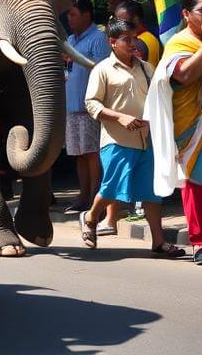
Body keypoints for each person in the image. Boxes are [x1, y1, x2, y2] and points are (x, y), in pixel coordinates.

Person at [79, 18, 185, 258]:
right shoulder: (103, 69)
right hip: (117, 140)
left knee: (152, 193)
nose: (132, 43)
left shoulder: (147, 68)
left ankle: (158, 242)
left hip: (147, 140)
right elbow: (92, 103)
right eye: (126, 39)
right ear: (112, 42)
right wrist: (120, 117)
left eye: (134, 38)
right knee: (112, 189)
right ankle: (91, 216)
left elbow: (160, 97)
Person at [144, 0, 202, 266]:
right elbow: (183, 75)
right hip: (193, 127)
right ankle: (199, 243)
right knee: (198, 184)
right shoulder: (179, 42)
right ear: (186, 14)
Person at [64, 0, 111, 213]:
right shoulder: (70, 40)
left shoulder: (98, 38)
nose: (69, 19)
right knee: (79, 155)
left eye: (73, 14)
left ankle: (95, 198)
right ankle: (83, 197)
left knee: (92, 153)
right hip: (72, 108)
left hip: (90, 108)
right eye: (68, 14)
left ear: (86, 15)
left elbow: (103, 70)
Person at [115, 0, 161, 67]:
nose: (118, 25)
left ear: (136, 19)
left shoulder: (136, 42)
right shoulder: (150, 36)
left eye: (122, 22)